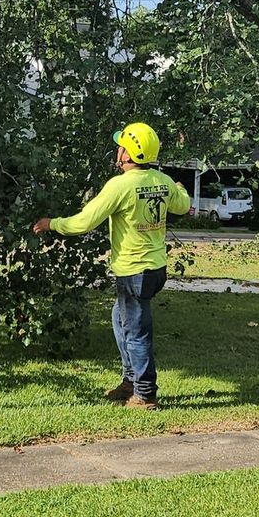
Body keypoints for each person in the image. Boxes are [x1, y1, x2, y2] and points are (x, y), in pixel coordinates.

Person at [33, 121, 190, 409]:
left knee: (136, 330)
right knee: (121, 318)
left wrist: (52, 224)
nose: (118, 149)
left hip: (134, 272)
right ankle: (130, 380)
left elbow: (84, 221)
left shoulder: (120, 186)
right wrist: (179, 189)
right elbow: (182, 205)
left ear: (129, 155)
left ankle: (144, 394)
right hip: (155, 269)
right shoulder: (161, 180)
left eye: (122, 146)